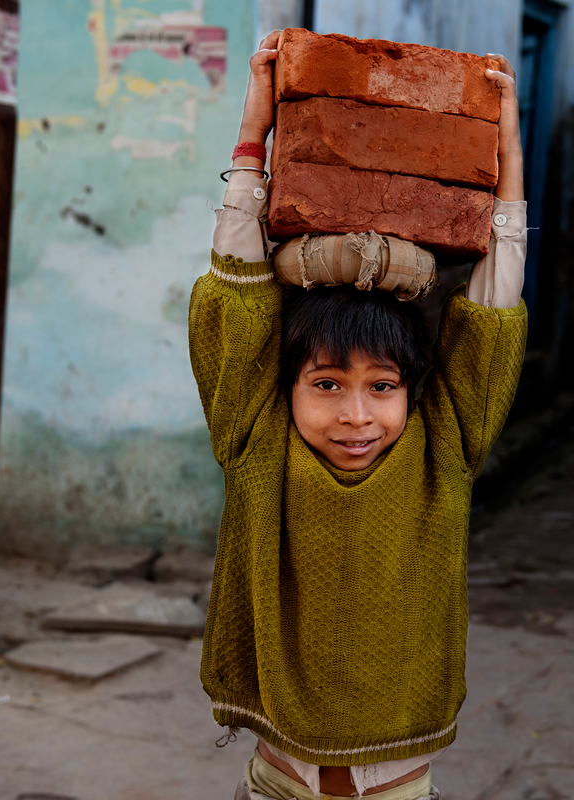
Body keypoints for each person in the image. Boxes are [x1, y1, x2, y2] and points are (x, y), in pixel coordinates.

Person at [188, 30, 528, 800]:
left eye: (382, 387)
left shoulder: (446, 445)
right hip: (273, 785)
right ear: (286, 389)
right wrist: (253, 134)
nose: (356, 416)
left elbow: (495, 301)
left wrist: (505, 157)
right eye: (327, 385)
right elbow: (237, 286)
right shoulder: (254, 436)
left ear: (415, 390)